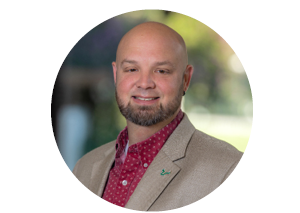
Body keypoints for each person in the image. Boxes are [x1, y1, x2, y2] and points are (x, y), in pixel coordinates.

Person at [73, 22, 243, 211]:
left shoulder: (228, 170)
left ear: (185, 79)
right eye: (131, 69)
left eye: (161, 71)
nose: (144, 83)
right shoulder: (84, 168)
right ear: (116, 74)